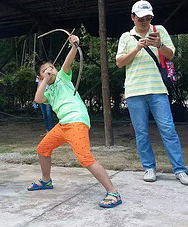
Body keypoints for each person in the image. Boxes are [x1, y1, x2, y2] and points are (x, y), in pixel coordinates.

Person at [28, 35, 122, 208]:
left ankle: (113, 192)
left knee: (85, 159)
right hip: (64, 125)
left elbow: (68, 62)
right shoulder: (48, 92)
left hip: (77, 121)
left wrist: (73, 46)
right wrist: (44, 81)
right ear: (40, 77)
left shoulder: (63, 77)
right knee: (42, 149)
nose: (50, 70)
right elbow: (38, 98)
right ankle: (46, 181)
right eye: (45, 70)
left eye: (51, 68)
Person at [116, 0, 188, 185]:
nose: (145, 21)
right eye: (141, 18)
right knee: (141, 132)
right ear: (133, 17)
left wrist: (159, 45)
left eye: (148, 17)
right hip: (134, 90)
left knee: (168, 130)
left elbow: (171, 54)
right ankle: (149, 168)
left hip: (158, 89)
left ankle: (180, 170)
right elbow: (119, 62)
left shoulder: (160, 30)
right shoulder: (126, 37)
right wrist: (137, 48)